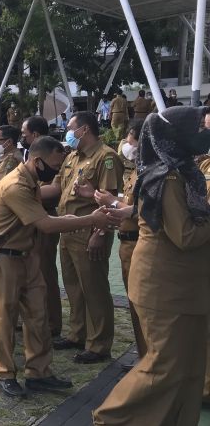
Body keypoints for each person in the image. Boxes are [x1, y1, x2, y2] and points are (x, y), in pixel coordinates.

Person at [93, 106, 210, 425]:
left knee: (190, 366)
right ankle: (110, 418)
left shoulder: (183, 170)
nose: (203, 132)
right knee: (164, 365)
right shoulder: (168, 176)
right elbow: (184, 235)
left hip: (186, 285)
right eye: (197, 126)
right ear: (176, 135)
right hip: (165, 286)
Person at [0, 136, 115, 397]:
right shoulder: (15, 186)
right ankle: (5, 373)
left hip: (26, 257)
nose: (58, 170)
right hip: (5, 259)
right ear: (37, 161)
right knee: (5, 318)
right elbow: (45, 224)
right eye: (55, 165)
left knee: (38, 316)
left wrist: (75, 217)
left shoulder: (30, 180)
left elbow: (45, 217)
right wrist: (89, 218)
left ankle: (38, 373)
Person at [44, 111, 123, 364]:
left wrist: (100, 234)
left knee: (94, 289)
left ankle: (99, 345)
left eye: (70, 127)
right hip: (68, 230)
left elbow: (110, 200)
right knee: (74, 287)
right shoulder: (72, 157)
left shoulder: (106, 157)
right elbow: (57, 188)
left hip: (89, 231)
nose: (67, 131)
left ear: (85, 129)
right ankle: (77, 334)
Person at [92, 119, 146, 362]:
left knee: (143, 305)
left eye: (130, 138)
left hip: (139, 242)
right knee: (134, 305)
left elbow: (146, 209)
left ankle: (150, 360)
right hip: (127, 243)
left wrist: (112, 202)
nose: (126, 143)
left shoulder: (152, 172)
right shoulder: (136, 169)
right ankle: (144, 357)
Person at [21, 115, 63, 338]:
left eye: (25, 134)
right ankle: (36, 318)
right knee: (33, 274)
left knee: (45, 274)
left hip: (45, 216)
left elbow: (55, 190)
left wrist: (24, 194)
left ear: (35, 135)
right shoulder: (31, 154)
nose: (22, 137)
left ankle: (51, 323)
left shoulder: (54, 154)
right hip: (29, 219)